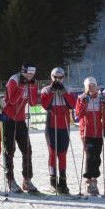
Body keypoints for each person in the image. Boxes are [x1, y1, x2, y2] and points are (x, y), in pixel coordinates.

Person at [1, 63, 39, 194]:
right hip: (9, 119)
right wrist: (22, 86)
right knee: (10, 150)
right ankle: (10, 179)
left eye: (32, 74)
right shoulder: (14, 80)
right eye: (28, 74)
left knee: (27, 150)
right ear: (22, 72)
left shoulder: (30, 82)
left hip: (21, 119)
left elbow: (33, 103)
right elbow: (12, 100)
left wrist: (33, 87)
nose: (30, 76)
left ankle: (27, 179)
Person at [38, 66, 76, 194]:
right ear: (51, 77)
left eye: (60, 78)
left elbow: (72, 105)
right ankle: (53, 179)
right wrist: (53, 91)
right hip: (51, 126)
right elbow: (45, 105)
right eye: (56, 77)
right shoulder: (46, 89)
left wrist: (63, 92)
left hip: (64, 126)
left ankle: (63, 181)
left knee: (63, 154)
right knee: (52, 152)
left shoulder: (68, 89)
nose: (58, 80)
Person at [75, 75, 105, 196]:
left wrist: (104, 104)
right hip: (86, 132)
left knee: (97, 156)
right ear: (85, 87)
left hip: (98, 132)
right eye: (89, 86)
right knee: (89, 154)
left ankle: (94, 179)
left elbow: (104, 115)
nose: (92, 88)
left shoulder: (100, 98)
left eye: (94, 86)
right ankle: (88, 180)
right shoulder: (81, 98)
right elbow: (78, 114)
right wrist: (85, 102)